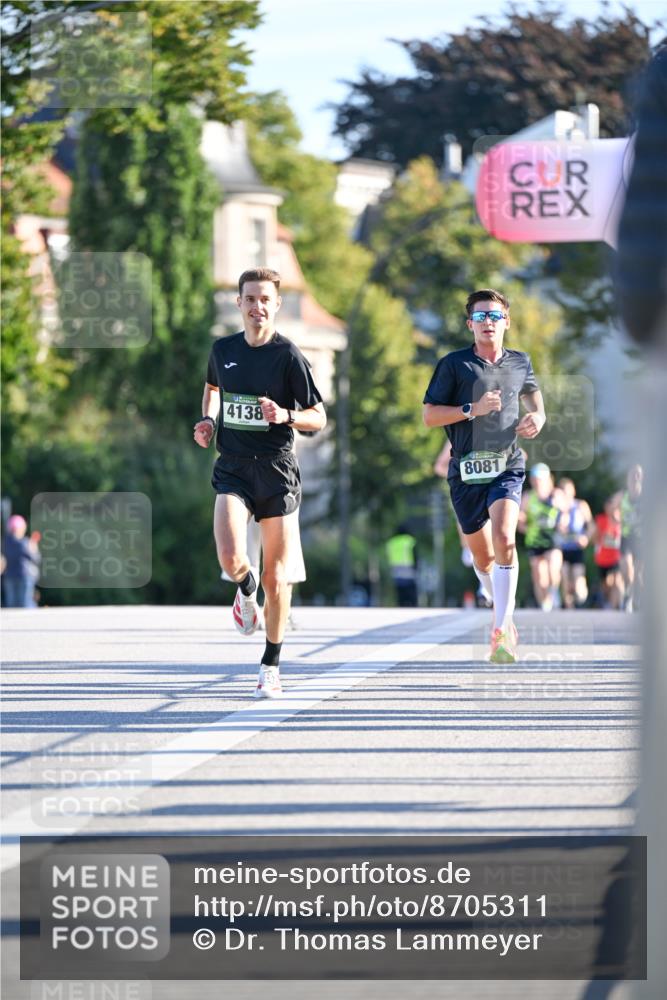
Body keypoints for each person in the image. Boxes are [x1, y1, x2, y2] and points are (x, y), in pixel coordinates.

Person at [193, 267, 326, 698]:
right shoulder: (223, 349)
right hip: (232, 465)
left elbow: (318, 417)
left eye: (265, 299)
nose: (257, 307)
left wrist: (286, 415)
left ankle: (271, 663)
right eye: (250, 299)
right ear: (240, 304)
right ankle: (244, 592)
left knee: (277, 577)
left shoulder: (288, 357)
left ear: (276, 305)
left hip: (276, 468)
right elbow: (213, 389)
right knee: (232, 558)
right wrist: (208, 420)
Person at [423, 288, 546, 663]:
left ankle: (502, 628)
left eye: (494, 316)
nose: (487, 322)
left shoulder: (520, 362)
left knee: (505, 538)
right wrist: (471, 408)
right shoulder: (453, 365)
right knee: (483, 557)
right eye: (480, 317)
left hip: (507, 464)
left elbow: (534, 397)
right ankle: (496, 601)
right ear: (470, 324)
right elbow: (430, 416)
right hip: (465, 470)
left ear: (506, 321)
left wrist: (538, 417)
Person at [433, 439, 492, 607]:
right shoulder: (458, 435)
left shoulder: (497, 428)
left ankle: (486, 590)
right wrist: (462, 473)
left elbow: (519, 456)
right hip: (467, 494)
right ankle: (468, 550)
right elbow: (439, 467)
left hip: (493, 492)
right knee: (475, 549)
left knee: (495, 539)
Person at [518, 464, 563, 611]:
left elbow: (567, 515)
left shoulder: (556, 494)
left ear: (547, 479)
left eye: (540, 479)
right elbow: (521, 522)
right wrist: (522, 521)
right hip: (534, 540)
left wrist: (559, 509)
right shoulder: (528, 497)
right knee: (539, 575)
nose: (538, 482)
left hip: (552, 539)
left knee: (552, 568)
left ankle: (554, 591)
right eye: (535, 479)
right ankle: (544, 603)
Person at [554, 477, 592, 609]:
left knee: (578, 583)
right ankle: (568, 607)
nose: (566, 494)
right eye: (563, 491)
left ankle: (580, 594)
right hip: (562, 548)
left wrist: (586, 537)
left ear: (573, 491)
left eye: (568, 491)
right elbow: (555, 527)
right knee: (564, 576)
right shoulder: (557, 508)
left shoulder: (581, 505)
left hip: (577, 548)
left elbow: (591, 526)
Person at [591, 494, 624, 610]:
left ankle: (616, 605)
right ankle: (608, 601)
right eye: (608, 507)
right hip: (603, 558)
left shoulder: (622, 521)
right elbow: (594, 537)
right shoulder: (601, 520)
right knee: (607, 584)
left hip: (616, 557)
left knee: (616, 580)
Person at [2, 515, 41, 608]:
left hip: (9, 575)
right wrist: (34, 548)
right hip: (24, 576)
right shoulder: (24, 542)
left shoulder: (5, 542)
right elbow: (35, 558)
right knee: (25, 602)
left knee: (11, 603)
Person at [619, 463, 643, 612]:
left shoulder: (649, 496)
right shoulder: (622, 495)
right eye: (632, 474)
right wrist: (616, 520)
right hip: (627, 537)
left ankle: (638, 598)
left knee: (640, 573)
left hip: (643, 539)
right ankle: (628, 593)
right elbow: (610, 507)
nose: (635, 478)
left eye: (638, 474)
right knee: (627, 568)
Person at [385, 525, 418, 607]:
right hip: (408, 570)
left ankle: (402, 606)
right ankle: (412, 606)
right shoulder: (409, 540)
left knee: (400, 592)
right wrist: (416, 567)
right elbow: (415, 554)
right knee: (411, 591)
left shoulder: (391, 542)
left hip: (396, 570)